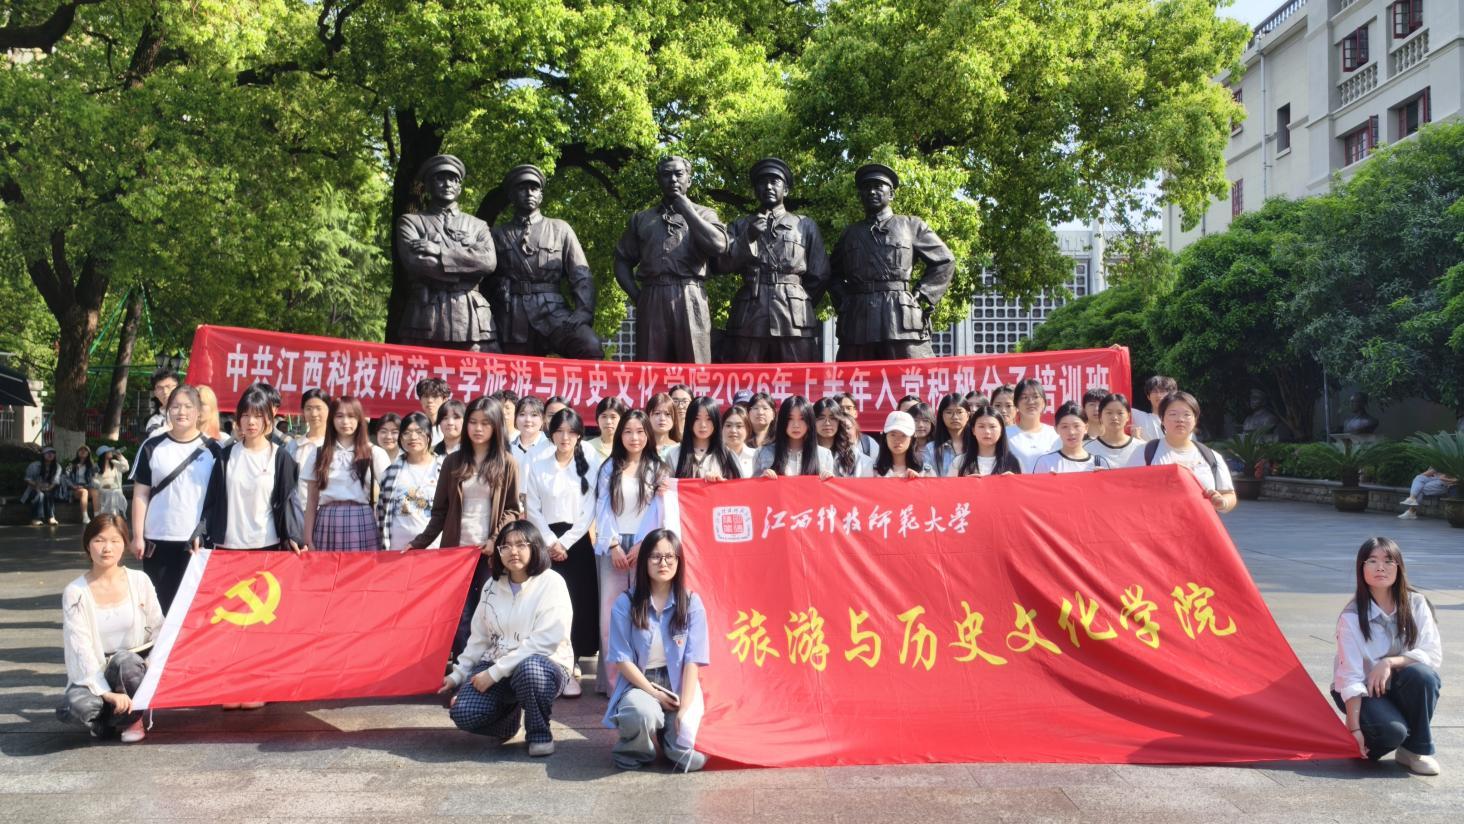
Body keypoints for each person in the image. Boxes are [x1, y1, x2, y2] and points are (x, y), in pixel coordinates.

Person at [440, 521, 573, 757]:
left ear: (535, 547)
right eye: (506, 546)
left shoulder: (552, 583)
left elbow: (544, 642)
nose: (513, 551)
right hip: (496, 662)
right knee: (463, 713)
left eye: (521, 544)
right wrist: (458, 675)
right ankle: (510, 722)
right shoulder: (491, 586)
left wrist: (493, 674)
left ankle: (539, 733)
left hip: (544, 664)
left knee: (530, 670)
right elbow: (479, 638)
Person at [411, 396, 523, 658]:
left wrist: (495, 539)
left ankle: (486, 669)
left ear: (496, 426)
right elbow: (440, 512)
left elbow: (512, 509)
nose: (478, 428)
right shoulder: (453, 462)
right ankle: (464, 669)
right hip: (456, 553)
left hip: (489, 554)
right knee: (459, 616)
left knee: (488, 613)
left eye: (485, 423)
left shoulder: (507, 462)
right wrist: (418, 543)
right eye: (473, 422)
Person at [1332, 537, 1442, 775]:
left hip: (1400, 684)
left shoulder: (1416, 603)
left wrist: (1389, 662)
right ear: (1361, 568)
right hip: (1363, 692)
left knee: (1424, 676)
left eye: (1388, 561)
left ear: (1399, 567)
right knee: (1390, 734)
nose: (1380, 567)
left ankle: (1413, 751)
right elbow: (1350, 677)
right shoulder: (1351, 617)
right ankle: (1375, 730)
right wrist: (1354, 728)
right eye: (1372, 561)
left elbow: (1431, 653)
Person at [604, 528, 710, 772]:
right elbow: (622, 659)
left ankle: (666, 736)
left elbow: (693, 660)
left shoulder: (691, 603)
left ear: (678, 561)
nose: (663, 562)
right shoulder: (626, 603)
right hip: (640, 683)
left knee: (691, 761)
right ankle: (635, 748)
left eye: (670, 556)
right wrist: (654, 693)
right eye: (655, 556)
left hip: (677, 686)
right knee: (641, 713)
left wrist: (684, 708)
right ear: (644, 561)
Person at [829, 163, 955, 361]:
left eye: (878, 186)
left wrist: (923, 293)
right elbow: (831, 273)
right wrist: (844, 302)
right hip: (858, 319)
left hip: (900, 316)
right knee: (853, 376)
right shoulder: (850, 234)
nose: (872, 192)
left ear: (892, 194)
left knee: (914, 373)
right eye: (866, 187)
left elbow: (944, 260)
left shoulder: (911, 225)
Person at [614, 156, 730, 363]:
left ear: (689, 180)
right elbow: (622, 260)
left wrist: (687, 210)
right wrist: (638, 297)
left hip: (691, 295)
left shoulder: (705, 214)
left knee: (695, 364)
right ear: (659, 180)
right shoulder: (642, 219)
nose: (673, 179)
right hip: (652, 295)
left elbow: (719, 246)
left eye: (679, 174)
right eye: (667, 175)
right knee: (650, 366)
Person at [58, 515, 161, 743]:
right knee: (72, 707)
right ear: (88, 545)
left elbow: (159, 628)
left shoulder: (140, 581)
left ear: (125, 544)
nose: (107, 548)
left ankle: (132, 719)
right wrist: (106, 693)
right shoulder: (75, 592)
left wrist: (151, 663)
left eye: (115, 540)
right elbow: (80, 648)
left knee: (126, 661)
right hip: (95, 671)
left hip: (132, 669)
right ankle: (109, 719)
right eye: (99, 540)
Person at [717, 157, 829, 363]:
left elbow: (820, 274)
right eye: (762, 182)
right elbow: (722, 264)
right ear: (755, 190)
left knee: (797, 377)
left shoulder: (805, 225)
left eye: (774, 181)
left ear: (785, 190)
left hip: (794, 319)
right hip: (749, 315)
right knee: (746, 376)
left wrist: (797, 300)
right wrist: (747, 238)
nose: (768, 186)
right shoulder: (740, 226)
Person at [488, 164, 605, 359]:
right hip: (513, 314)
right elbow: (485, 278)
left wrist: (584, 311)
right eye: (522, 188)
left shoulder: (560, 229)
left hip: (553, 311)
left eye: (534, 188)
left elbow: (581, 274)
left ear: (541, 196)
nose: (529, 193)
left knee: (589, 345)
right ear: (511, 196)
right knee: (515, 369)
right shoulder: (497, 234)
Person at [590, 410, 668, 694]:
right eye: (628, 431)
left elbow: (660, 510)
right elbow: (602, 507)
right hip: (611, 546)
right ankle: (613, 684)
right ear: (620, 435)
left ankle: (643, 680)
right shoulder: (609, 468)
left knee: (644, 611)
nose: (634, 437)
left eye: (640, 431)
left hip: (646, 546)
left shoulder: (658, 469)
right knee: (610, 615)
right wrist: (612, 545)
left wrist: (642, 543)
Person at [523, 408, 599, 697]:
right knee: (548, 605)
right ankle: (549, 663)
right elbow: (533, 506)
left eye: (571, 432)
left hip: (577, 543)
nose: (565, 437)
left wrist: (565, 543)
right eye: (559, 431)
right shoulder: (538, 464)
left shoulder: (587, 463)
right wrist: (550, 541)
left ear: (579, 435)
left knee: (578, 603)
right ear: (551, 433)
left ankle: (572, 662)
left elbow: (590, 507)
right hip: (546, 542)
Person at [130, 384, 224, 613]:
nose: (182, 412)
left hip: (197, 542)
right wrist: (138, 536)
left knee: (194, 609)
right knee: (160, 607)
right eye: (175, 406)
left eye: (188, 406)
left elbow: (217, 500)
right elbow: (141, 493)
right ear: (167, 410)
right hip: (158, 539)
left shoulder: (213, 449)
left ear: (198, 411)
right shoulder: (152, 446)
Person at [395, 154, 499, 351]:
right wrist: (468, 270)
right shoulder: (411, 222)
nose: (447, 184)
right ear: (427, 185)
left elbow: (488, 262)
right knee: (420, 367)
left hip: (471, 316)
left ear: (459, 187)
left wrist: (439, 251)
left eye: (453, 179)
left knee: (475, 369)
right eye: (440, 178)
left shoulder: (477, 225)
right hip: (425, 315)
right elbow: (417, 263)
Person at [209, 387, 304, 552]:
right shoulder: (225, 456)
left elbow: (288, 501)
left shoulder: (280, 457)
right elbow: (211, 499)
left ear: (268, 419)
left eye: (258, 416)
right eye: (245, 415)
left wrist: (293, 536)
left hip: (266, 544)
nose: (251, 421)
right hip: (228, 545)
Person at [300, 396, 391, 552]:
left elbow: (390, 494)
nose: (345, 422)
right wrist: (308, 538)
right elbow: (312, 500)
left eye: (351, 416)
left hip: (361, 519)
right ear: (332, 419)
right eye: (339, 416)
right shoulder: (319, 453)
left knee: (362, 567)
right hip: (327, 520)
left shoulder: (374, 453)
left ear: (360, 419)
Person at [1126, 391, 1237, 513]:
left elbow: (1228, 493)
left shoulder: (1211, 456)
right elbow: (1127, 489)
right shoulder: (1144, 452)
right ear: (1162, 419)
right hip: (1158, 523)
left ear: (1195, 419)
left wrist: (1223, 502)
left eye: (1187, 414)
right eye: (1173, 414)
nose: (1180, 419)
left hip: (1198, 523)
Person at [377, 412, 443, 550]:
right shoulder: (390, 473)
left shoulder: (442, 468)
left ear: (429, 435)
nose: (413, 437)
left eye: (419, 432)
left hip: (434, 548)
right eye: (406, 433)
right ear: (401, 438)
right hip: (398, 550)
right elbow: (382, 513)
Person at [755, 395, 835, 478]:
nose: (796, 425)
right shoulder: (764, 453)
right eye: (790, 418)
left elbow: (829, 486)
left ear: (810, 421)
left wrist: (829, 479)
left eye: (802, 418)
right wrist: (762, 480)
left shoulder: (824, 455)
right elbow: (752, 484)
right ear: (782, 420)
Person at [666, 397, 741, 480]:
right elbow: (667, 486)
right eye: (697, 418)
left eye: (709, 419)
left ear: (716, 421)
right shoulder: (674, 454)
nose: (703, 425)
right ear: (689, 420)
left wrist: (720, 482)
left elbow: (739, 486)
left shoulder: (728, 455)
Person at [287, 388, 331, 523]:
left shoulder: (335, 446)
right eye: (308, 408)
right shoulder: (293, 446)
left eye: (318, 408)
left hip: (327, 515)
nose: (314, 413)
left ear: (329, 410)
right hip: (297, 515)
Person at [1032, 402, 1111, 473]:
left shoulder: (1099, 463)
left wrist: (1102, 478)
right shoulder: (1046, 462)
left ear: (1086, 428)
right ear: (1056, 429)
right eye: (1065, 427)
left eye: (1076, 426)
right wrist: (1048, 481)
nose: (1071, 432)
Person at [1006, 379, 1059, 473]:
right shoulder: (1005, 434)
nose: (1030, 402)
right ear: (1016, 404)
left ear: (1044, 403)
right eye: (1024, 397)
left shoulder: (1054, 434)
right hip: (1015, 482)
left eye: (1036, 397)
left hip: (1046, 482)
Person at [955, 405, 1023, 476]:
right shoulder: (959, 462)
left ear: (1001, 430)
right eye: (981, 426)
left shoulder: (1015, 462)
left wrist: (1013, 480)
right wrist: (965, 482)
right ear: (973, 430)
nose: (987, 431)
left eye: (992, 426)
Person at [1086, 393, 1144, 467]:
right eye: (1109, 413)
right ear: (1100, 416)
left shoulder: (1142, 448)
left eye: (1120, 413)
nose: (1114, 417)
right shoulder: (1087, 449)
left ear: (1128, 416)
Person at [812, 398, 864, 478]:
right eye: (821, 418)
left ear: (839, 421)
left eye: (832, 418)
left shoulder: (852, 454)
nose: (827, 423)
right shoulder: (806, 452)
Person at [924, 392, 969, 477]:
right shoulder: (931, 448)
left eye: (959, 412)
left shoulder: (978, 444)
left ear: (968, 415)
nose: (955, 417)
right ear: (941, 415)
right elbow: (927, 478)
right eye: (949, 412)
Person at [871, 411, 925, 478]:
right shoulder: (871, 470)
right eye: (893, 435)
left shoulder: (924, 471)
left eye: (903, 435)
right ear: (885, 437)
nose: (897, 440)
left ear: (912, 439)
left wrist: (919, 482)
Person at [508, 396, 553, 467]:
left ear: (543, 419)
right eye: (522, 414)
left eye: (534, 415)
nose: (528, 420)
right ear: (515, 418)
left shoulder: (552, 448)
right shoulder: (507, 449)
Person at [22, 446, 62, 526]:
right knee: (40, 495)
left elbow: (56, 481)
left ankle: (51, 517)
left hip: (49, 489)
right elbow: (27, 479)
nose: (50, 454)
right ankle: (35, 518)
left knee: (48, 494)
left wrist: (48, 488)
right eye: (48, 453)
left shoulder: (57, 466)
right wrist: (37, 485)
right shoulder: (34, 465)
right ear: (43, 455)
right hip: (33, 489)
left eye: (53, 453)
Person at [1131, 375, 1177, 442]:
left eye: (1162, 391)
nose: (1158, 395)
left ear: (1171, 395)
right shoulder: (1137, 416)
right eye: (1154, 391)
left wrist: (1138, 440)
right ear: (1148, 396)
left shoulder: (1178, 421)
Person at [586, 396, 628, 469]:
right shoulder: (587, 447)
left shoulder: (628, 447)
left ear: (622, 420)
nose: (608, 421)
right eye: (604, 416)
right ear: (597, 419)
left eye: (613, 417)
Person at [834, 393, 880, 458]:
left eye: (848, 408)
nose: (845, 411)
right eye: (840, 408)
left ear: (855, 413)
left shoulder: (869, 444)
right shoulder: (828, 441)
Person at [720, 404, 759, 479]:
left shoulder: (757, 456)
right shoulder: (713, 456)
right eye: (728, 425)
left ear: (747, 429)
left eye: (739, 426)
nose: (733, 430)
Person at [61, 445, 97, 524]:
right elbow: (65, 476)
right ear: (77, 452)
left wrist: (86, 486)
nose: (83, 451)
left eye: (85, 450)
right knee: (84, 492)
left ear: (88, 453)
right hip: (74, 489)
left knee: (95, 491)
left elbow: (94, 479)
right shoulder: (71, 465)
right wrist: (73, 486)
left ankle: (97, 516)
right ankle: (85, 517)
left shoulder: (91, 466)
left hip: (87, 487)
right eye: (81, 450)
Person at [140, 368, 180, 440]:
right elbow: (155, 438)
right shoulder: (154, 421)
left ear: (179, 388)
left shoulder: (192, 413)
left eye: (168, 386)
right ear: (155, 393)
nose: (165, 392)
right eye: (160, 388)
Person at [93, 446, 130, 517]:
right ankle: (112, 513)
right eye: (109, 451)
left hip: (115, 489)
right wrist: (102, 486)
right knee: (112, 493)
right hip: (102, 489)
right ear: (104, 454)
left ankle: (114, 513)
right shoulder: (96, 466)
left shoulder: (114, 463)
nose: (111, 453)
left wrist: (120, 456)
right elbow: (93, 479)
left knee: (115, 492)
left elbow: (126, 467)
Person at [415, 378, 452, 447]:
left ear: (445, 400)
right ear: (420, 400)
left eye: (435, 396)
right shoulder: (414, 426)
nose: (430, 400)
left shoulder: (451, 427)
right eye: (425, 396)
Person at [646, 392, 680, 457]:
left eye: (667, 414)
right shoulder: (640, 447)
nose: (662, 418)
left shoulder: (680, 449)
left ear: (674, 418)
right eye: (657, 413)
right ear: (648, 416)